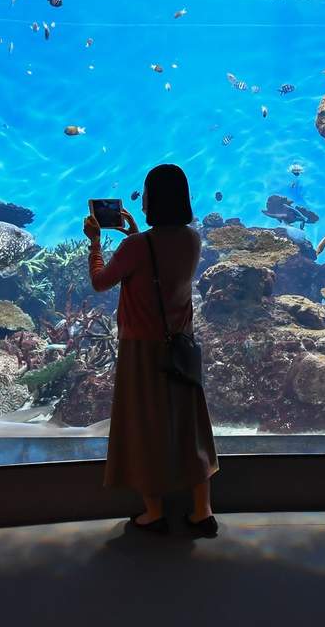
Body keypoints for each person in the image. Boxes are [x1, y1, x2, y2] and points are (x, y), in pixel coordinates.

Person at [85, 163, 219, 536]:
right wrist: (136, 235)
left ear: (153, 200)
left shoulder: (135, 247)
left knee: (144, 425)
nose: (141, 200)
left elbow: (100, 282)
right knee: (189, 426)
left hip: (141, 351)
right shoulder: (192, 239)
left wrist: (95, 243)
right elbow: (160, 261)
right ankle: (202, 511)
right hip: (181, 346)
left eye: (145, 193)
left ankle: (154, 512)